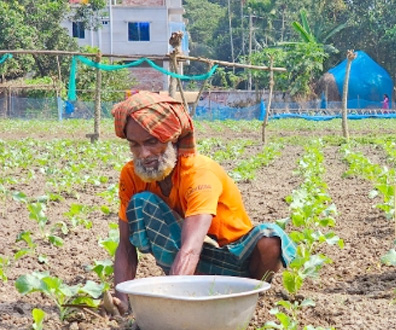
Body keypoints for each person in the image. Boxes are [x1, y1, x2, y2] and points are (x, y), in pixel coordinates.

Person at [108, 91, 296, 315]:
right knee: (141, 203)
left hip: (238, 258)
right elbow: (125, 247)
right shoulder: (131, 175)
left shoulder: (198, 172)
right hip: (195, 264)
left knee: (270, 240)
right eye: (134, 145)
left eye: (152, 142)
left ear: (173, 139)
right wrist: (122, 301)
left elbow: (191, 247)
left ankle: (247, 295)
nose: (144, 153)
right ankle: (191, 288)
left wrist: (170, 302)